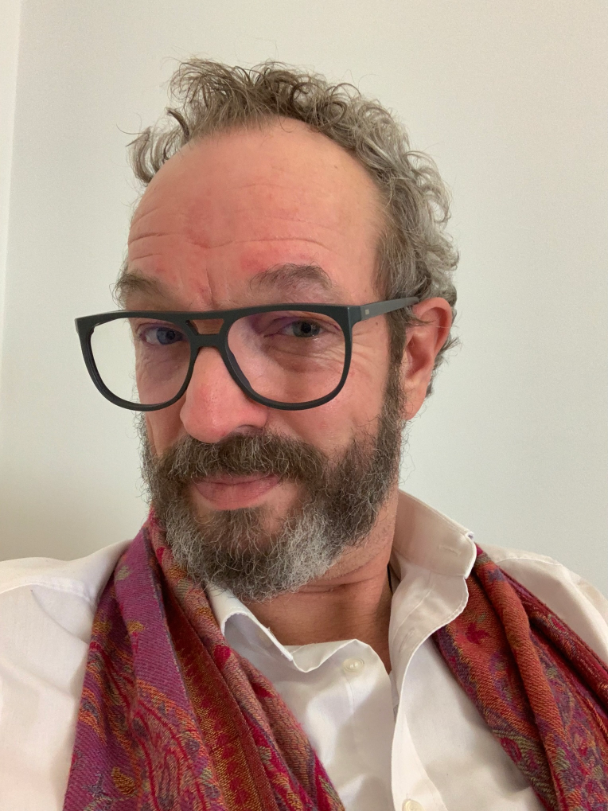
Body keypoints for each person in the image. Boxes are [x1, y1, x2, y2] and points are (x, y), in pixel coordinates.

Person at [0, 60, 607, 811]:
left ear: (413, 357)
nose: (206, 416)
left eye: (296, 326)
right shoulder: (17, 667)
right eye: (162, 332)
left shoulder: (572, 626)